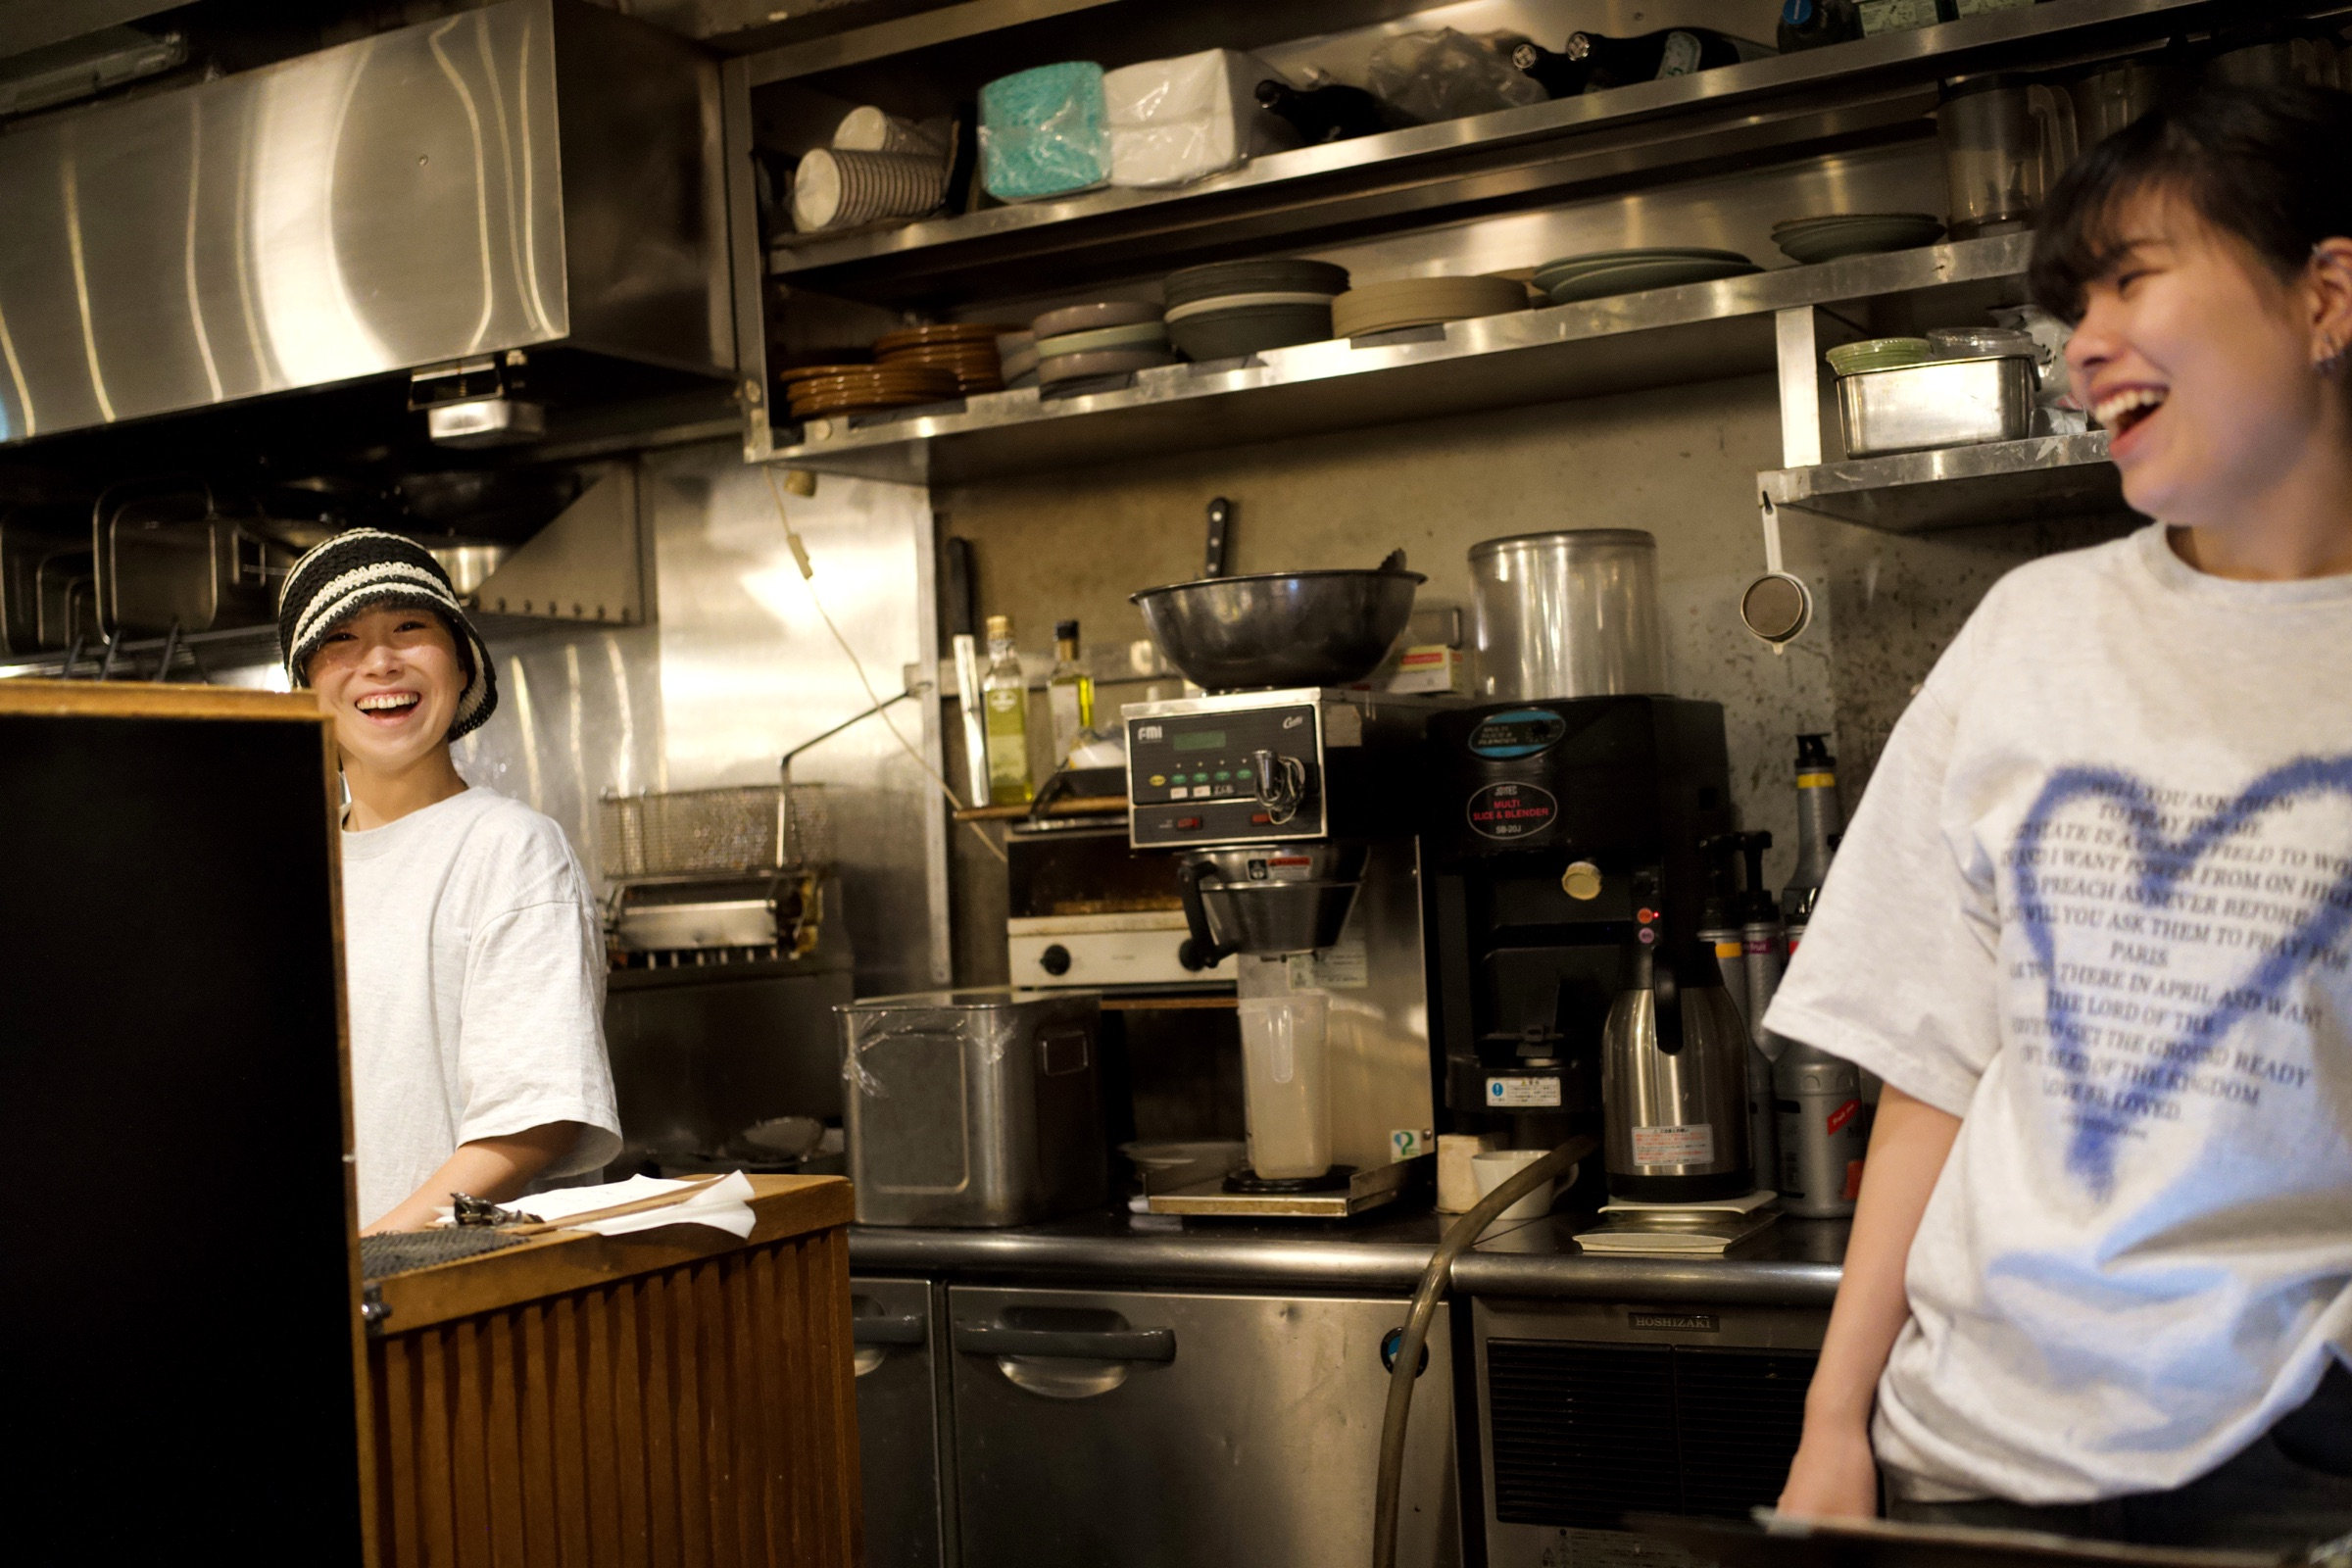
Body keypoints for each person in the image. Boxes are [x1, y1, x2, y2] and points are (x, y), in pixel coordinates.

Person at [1769, 84, 2352, 1547]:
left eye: (2135, 276)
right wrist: (1834, 1428)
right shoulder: (2030, 633)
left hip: (2287, 1467)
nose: (2084, 343)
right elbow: (1937, 1075)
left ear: (2326, 297)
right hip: (1962, 1455)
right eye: (2071, 302)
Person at [277, 528, 621, 1234]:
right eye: (340, 639)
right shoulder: (288, 869)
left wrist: (367, 1256)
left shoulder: (509, 847)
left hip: (436, 1292)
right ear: (306, 688)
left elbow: (533, 1119)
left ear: (463, 667)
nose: (380, 662)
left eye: (410, 628)